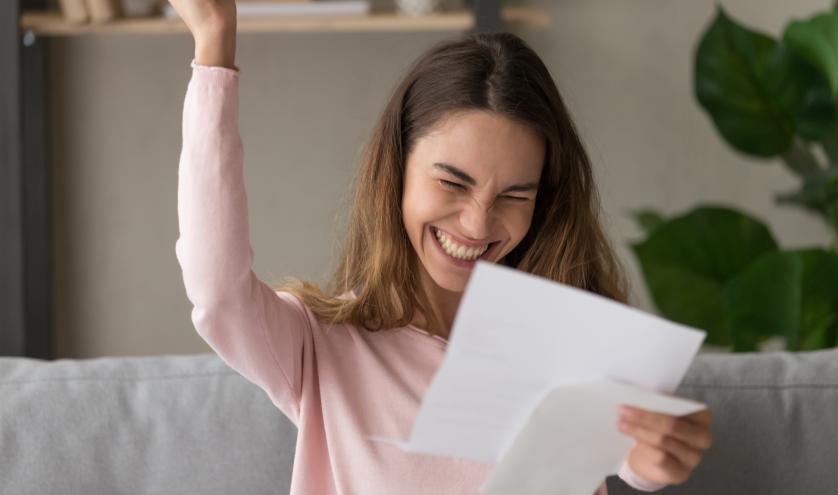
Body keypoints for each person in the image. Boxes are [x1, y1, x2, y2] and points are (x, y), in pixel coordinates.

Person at [170, 1, 713, 494]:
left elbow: (635, 456)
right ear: (397, 173)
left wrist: (655, 459)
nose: (478, 224)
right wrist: (215, 41)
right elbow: (219, 296)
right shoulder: (320, 348)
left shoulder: (568, 341)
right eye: (452, 183)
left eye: (514, 194)